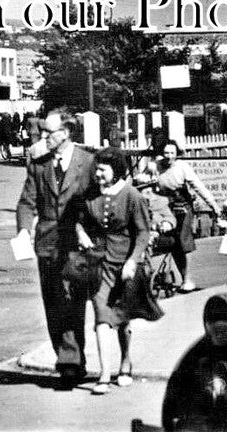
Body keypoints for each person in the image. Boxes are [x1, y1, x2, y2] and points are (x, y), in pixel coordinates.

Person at [15, 110, 97, 388]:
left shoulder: (88, 162)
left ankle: (71, 361)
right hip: (48, 243)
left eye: (48, 132)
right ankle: (67, 359)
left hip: (77, 244)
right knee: (53, 303)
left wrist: (89, 230)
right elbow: (27, 202)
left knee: (73, 300)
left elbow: (97, 200)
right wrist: (25, 230)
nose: (43, 137)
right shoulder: (39, 165)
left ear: (65, 133)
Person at [74, 147, 157, 395]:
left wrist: (133, 261)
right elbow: (79, 220)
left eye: (103, 169)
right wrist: (81, 233)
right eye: (96, 169)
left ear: (116, 170)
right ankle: (104, 374)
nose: (97, 173)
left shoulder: (132, 195)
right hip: (98, 263)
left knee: (122, 320)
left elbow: (143, 232)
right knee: (101, 315)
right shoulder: (89, 196)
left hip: (125, 264)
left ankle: (125, 361)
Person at [153, 140, 220, 293]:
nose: (169, 156)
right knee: (173, 243)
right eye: (166, 153)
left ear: (176, 154)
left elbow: (198, 186)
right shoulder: (157, 165)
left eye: (172, 153)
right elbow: (143, 180)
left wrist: (213, 205)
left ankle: (188, 279)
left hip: (183, 205)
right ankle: (182, 277)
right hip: (165, 206)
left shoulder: (182, 167)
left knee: (184, 241)